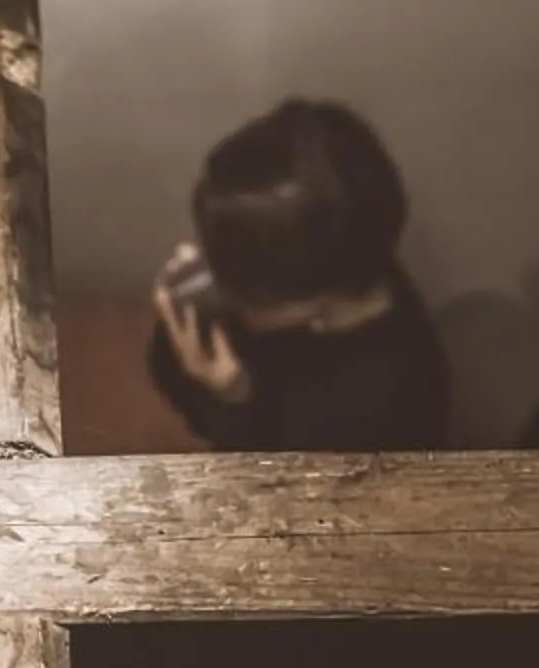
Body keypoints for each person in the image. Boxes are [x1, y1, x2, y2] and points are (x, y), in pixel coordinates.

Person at [147, 100, 452, 452]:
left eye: (232, 278)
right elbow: (164, 367)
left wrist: (233, 398)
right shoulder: (340, 254)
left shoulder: (390, 404)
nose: (194, 262)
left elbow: (278, 479)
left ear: (306, 302)